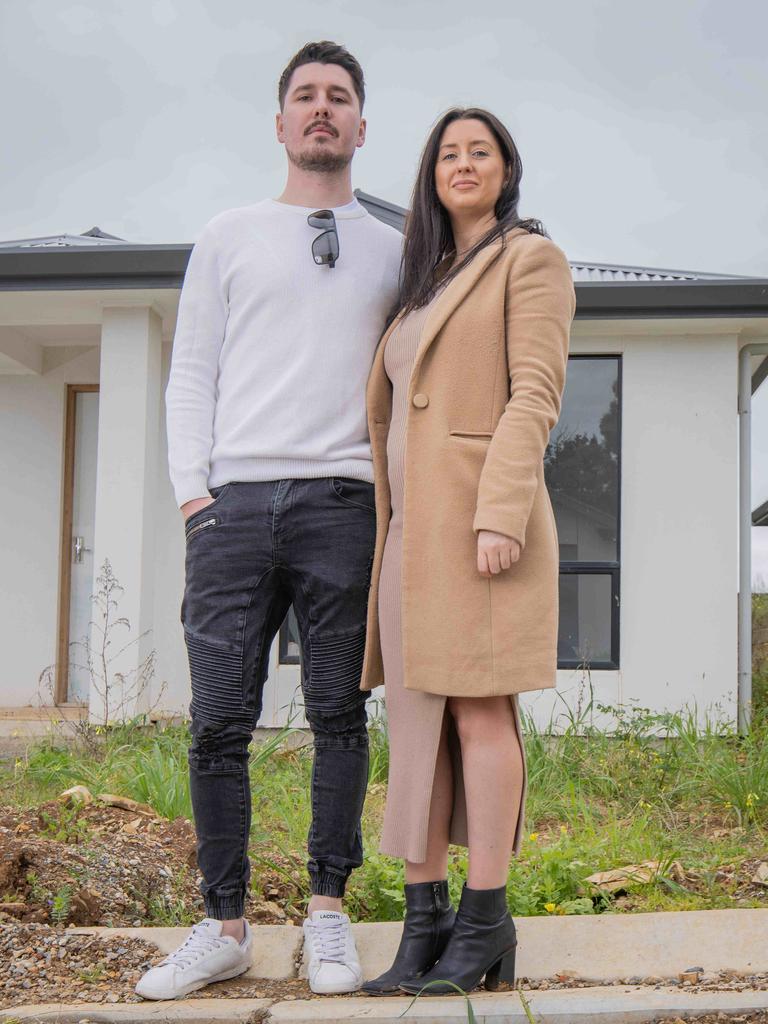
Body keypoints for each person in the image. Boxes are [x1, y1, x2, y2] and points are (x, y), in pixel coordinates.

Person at [135, 41, 402, 1001]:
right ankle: (224, 925)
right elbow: (192, 372)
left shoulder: (395, 248)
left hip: (343, 504)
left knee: (338, 715)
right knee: (218, 722)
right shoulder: (229, 233)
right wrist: (194, 499)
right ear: (282, 123)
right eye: (305, 97)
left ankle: (328, 915)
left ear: (361, 127)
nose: (321, 110)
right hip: (235, 507)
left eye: (339, 98)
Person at [359, 107, 576, 996]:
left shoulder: (530, 258)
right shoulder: (423, 282)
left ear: (506, 168)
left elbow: (536, 397)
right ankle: (424, 927)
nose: (461, 163)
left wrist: (501, 514)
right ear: (430, 173)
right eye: (447, 153)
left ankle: (485, 918)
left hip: (484, 526)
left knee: (481, 714)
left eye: (478, 151)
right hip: (409, 536)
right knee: (414, 730)